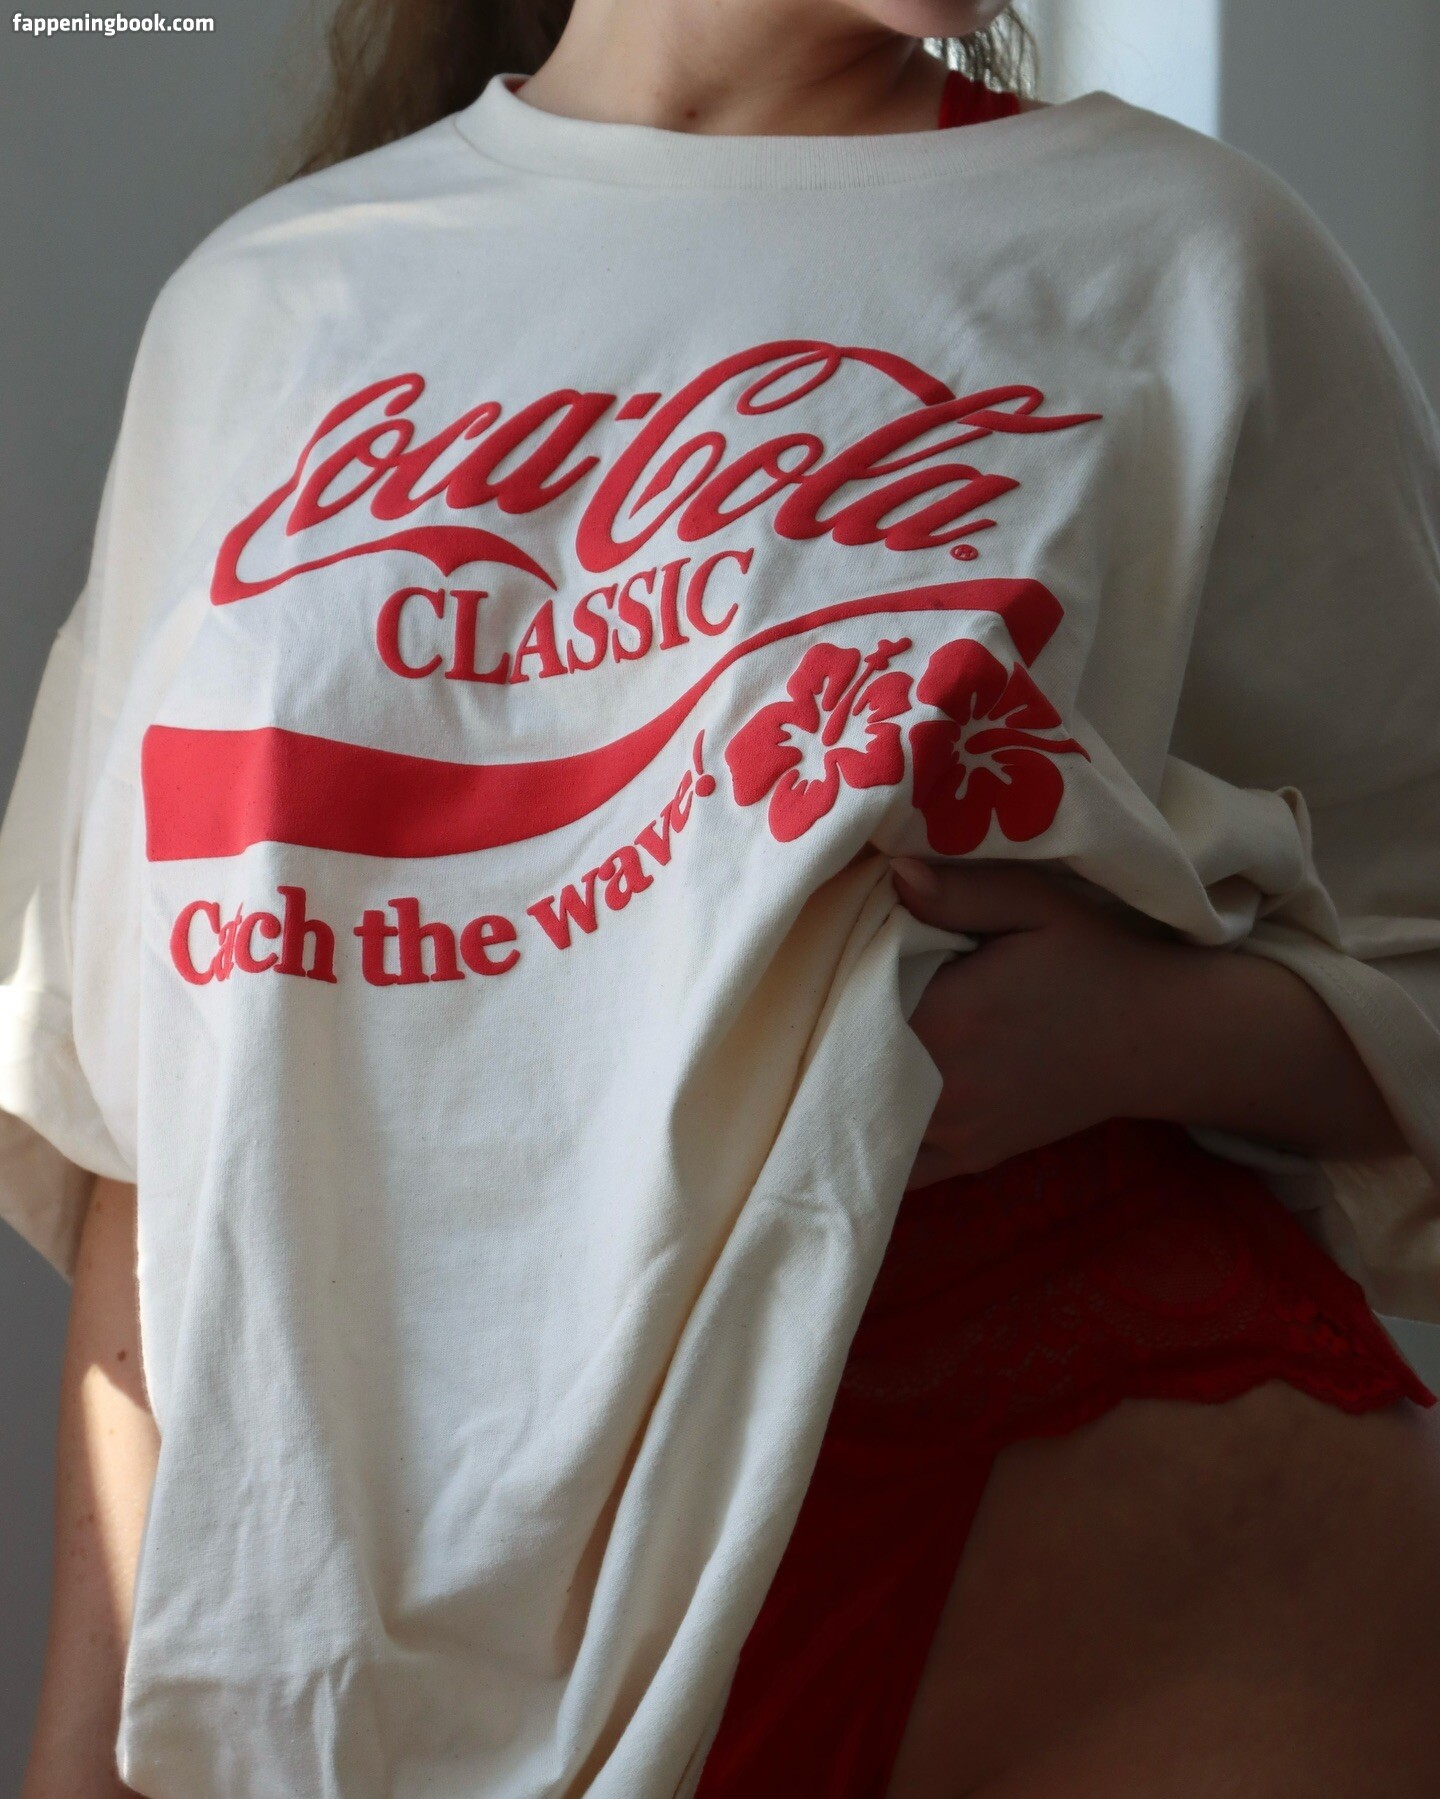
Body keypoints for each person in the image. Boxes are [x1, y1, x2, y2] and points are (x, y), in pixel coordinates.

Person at [9, 2, 1440, 1794]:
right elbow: (155, 1107)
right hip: (374, 1620)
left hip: (1106, 1546)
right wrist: (80, 1761)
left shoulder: (1188, 259)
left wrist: (1144, 1033)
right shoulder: (266, 307)